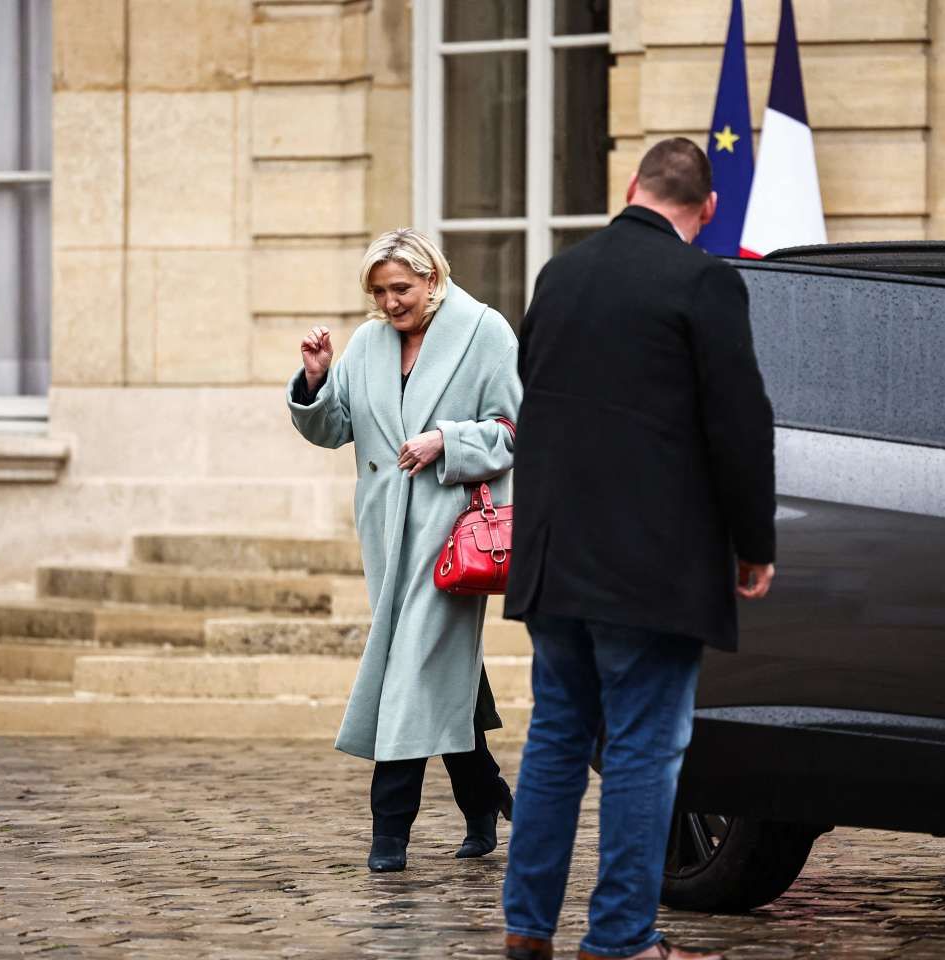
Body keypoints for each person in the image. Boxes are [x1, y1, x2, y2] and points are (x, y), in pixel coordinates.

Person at [500, 138, 777, 960]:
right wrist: (753, 542)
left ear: (631, 187)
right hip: (650, 566)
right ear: (709, 210)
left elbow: (538, 394)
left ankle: (527, 927)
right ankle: (620, 939)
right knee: (642, 750)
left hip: (554, 553)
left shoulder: (561, 274)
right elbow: (739, 424)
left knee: (554, 736)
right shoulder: (705, 282)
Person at [288, 228, 522, 873]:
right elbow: (336, 428)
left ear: (432, 279)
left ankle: (388, 832)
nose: (391, 303)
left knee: (405, 674)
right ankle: (485, 798)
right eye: (380, 292)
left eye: (402, 289)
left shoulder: (486, 332)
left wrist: (446, 439)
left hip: (449, 538)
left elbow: (514, 429)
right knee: (435, 675)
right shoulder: (366, 344)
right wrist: (314, 381)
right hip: (385, 536)